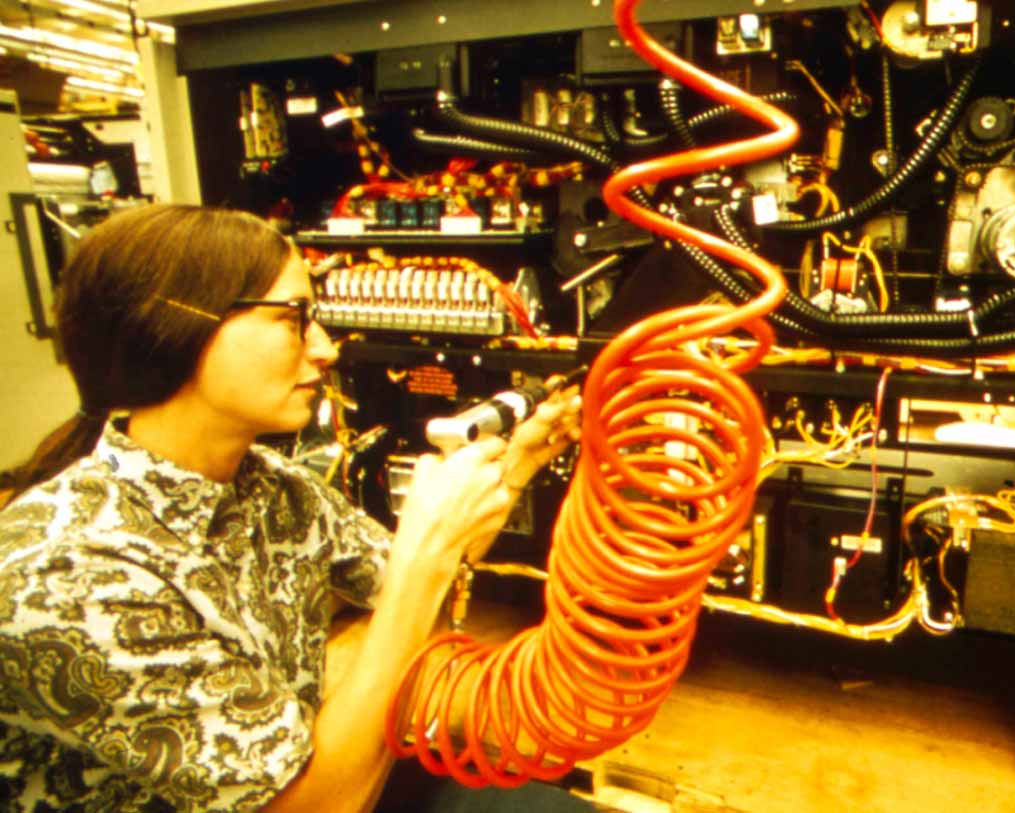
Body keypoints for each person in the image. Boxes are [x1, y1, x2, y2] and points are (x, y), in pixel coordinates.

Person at [0, 203, 581, 813]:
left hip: (309, 772)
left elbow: (396, 579)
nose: (325, 349)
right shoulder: (68, 575)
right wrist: (426, 550)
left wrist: (513, 468)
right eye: (293, 319)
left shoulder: (271, 487)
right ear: (171, 329)